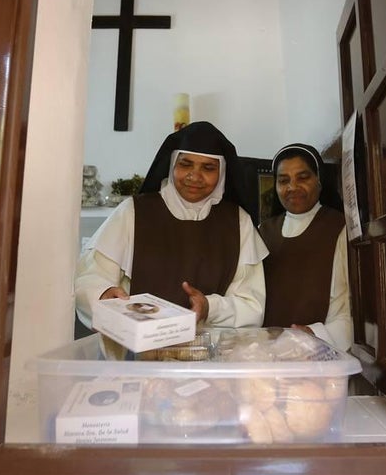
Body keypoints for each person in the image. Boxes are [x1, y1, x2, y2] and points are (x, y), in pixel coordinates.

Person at [74, 121, 267, 330]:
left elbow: (252, 306)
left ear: (221, 174)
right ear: (172, 164)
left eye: (208, 168)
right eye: (186, 164)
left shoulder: (239, 222)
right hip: (137, 352)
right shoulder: (133, 212)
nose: (195, 176)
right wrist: (102, 294)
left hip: (213, 354)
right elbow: (89, 277)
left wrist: (210, 307)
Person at [258, 142, 352, 351]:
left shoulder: (339, 227)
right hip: (269, 352)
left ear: (319, 180)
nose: (292, 187)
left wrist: (315, 334)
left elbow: (349, 307)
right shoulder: (263, 231)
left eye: (303, 177)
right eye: (284, 180)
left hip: (321, 352)